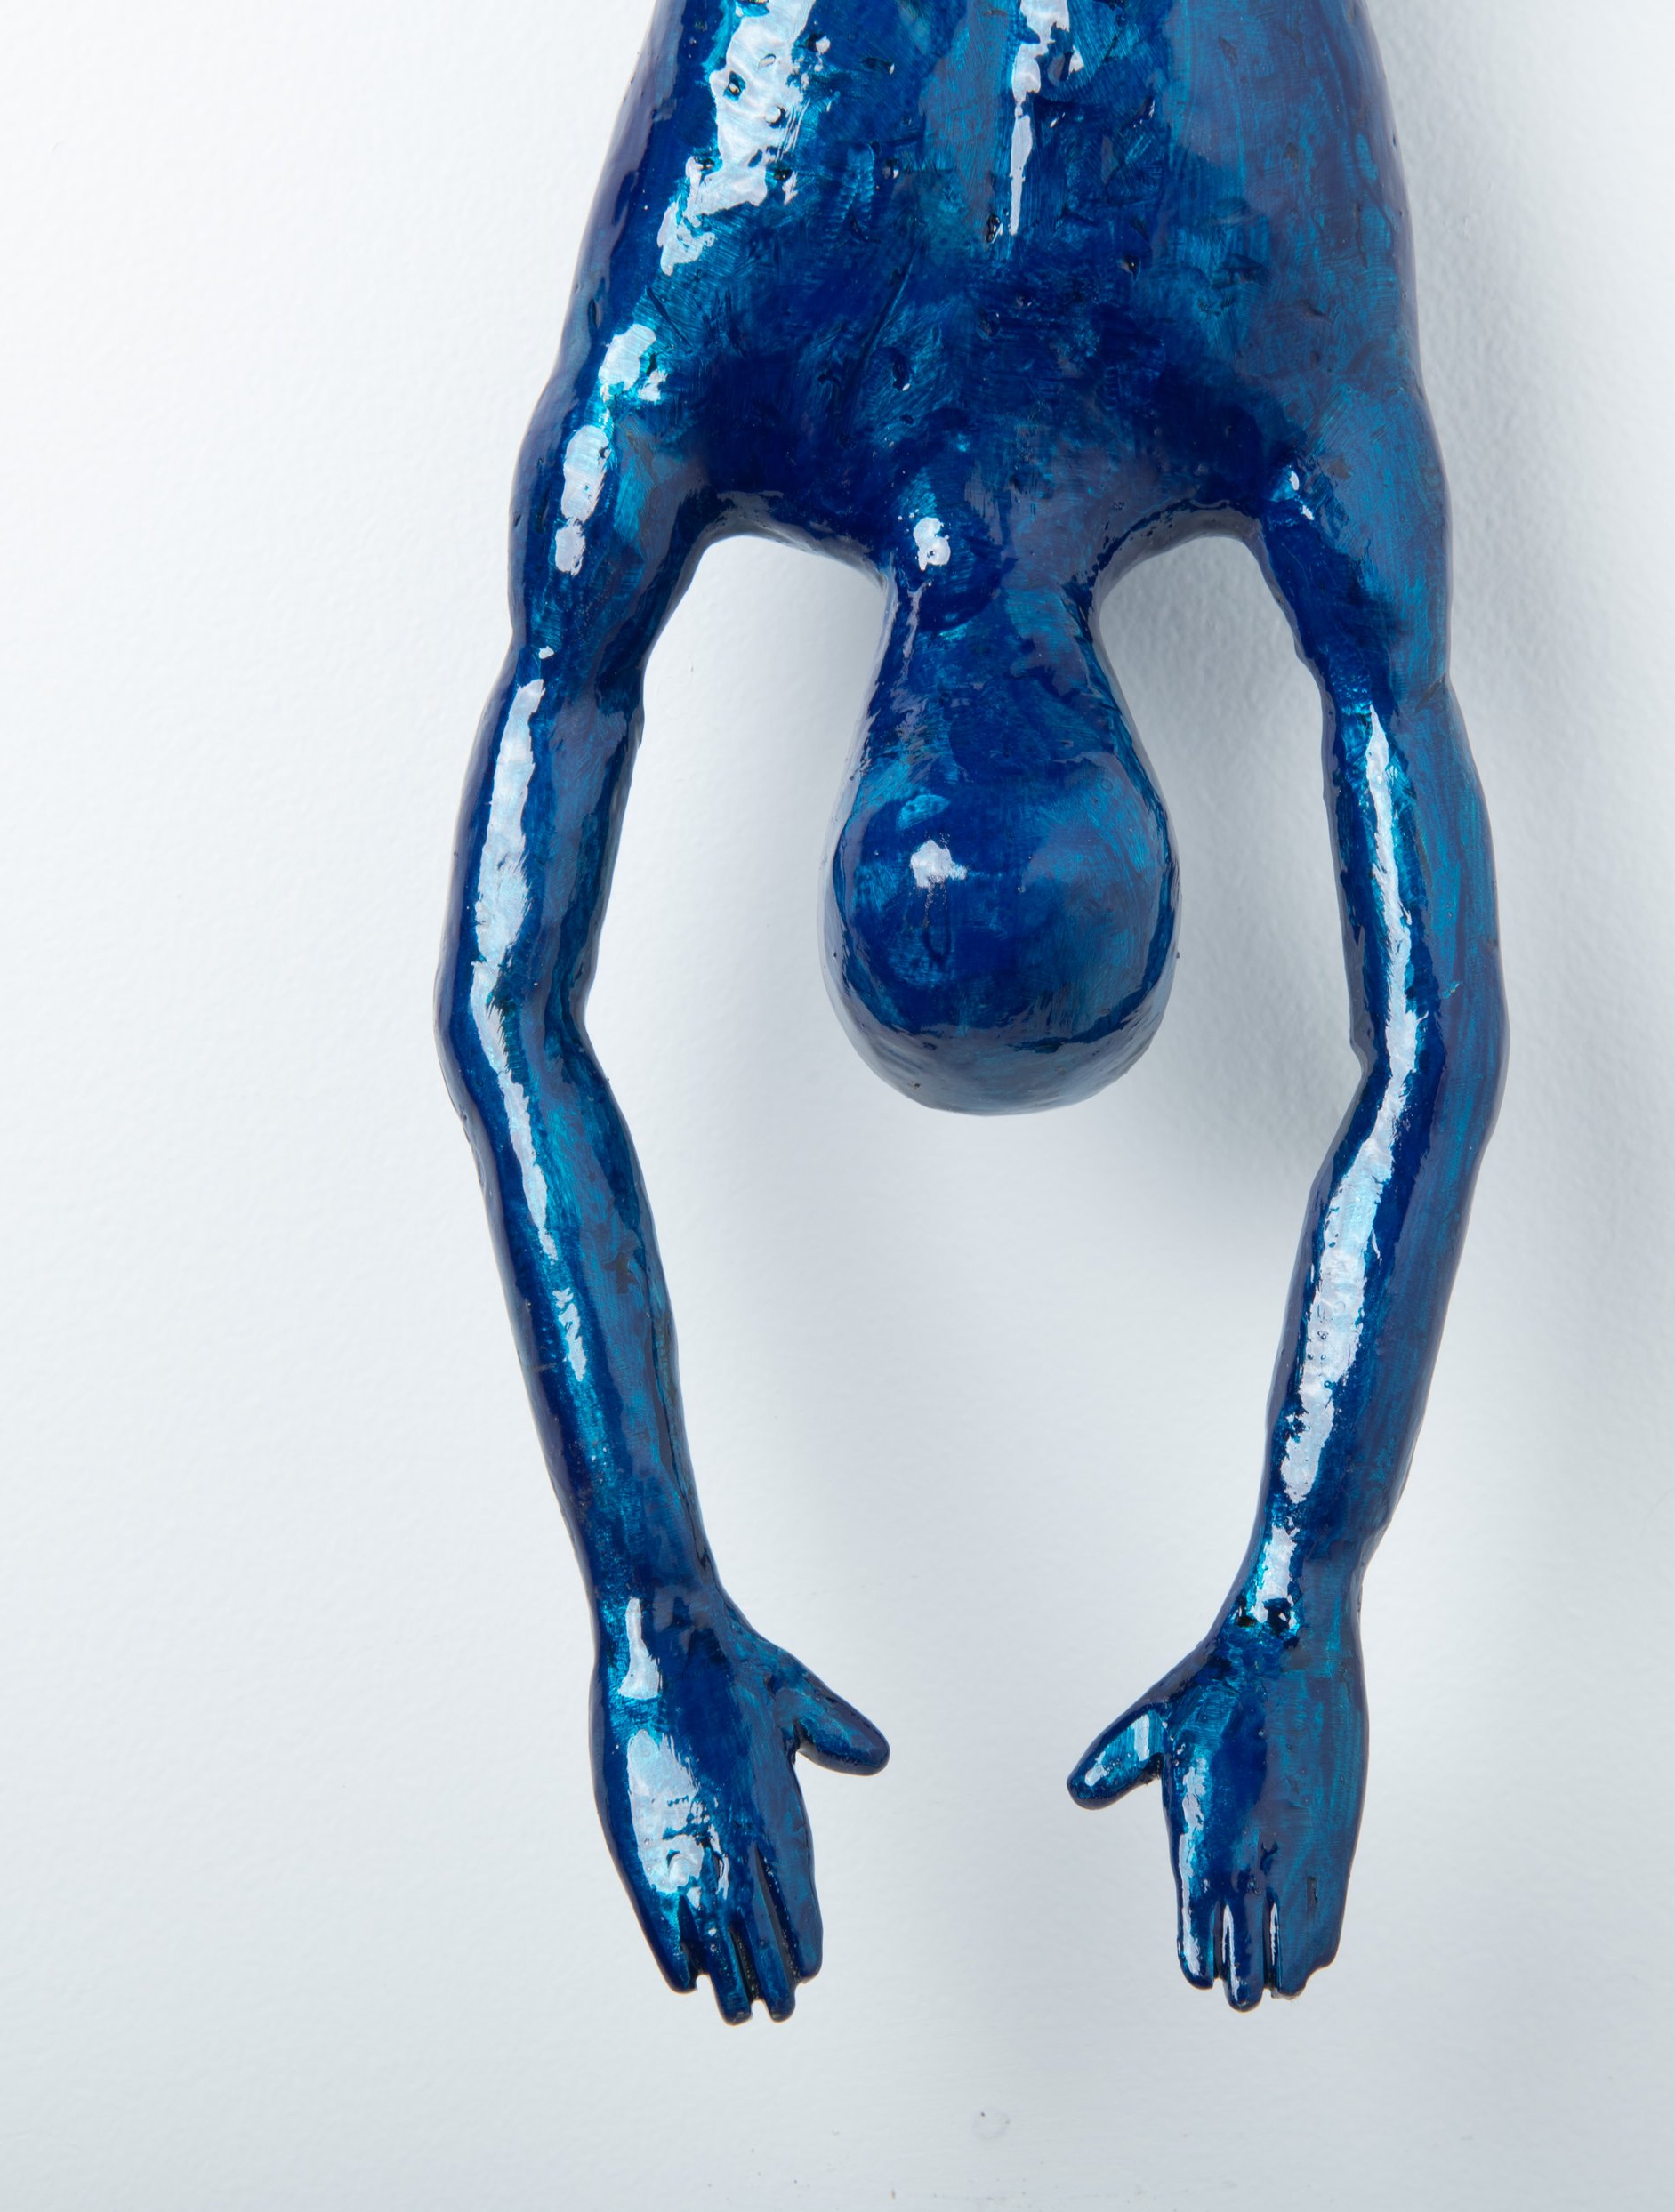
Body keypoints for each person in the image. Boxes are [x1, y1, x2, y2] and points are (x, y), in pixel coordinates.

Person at [437, 0, 1505, 2022]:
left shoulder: (1291, 394)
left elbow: (1432, 1051)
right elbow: (502, 1019)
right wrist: (1303, 1579)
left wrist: (651, 1600)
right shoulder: (698, 381)